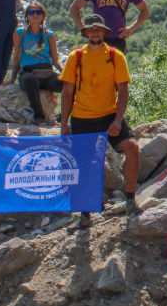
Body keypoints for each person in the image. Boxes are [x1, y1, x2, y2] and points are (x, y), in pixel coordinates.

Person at [60, 14, 140, 224]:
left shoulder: (115, 56)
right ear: (85, 33)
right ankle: (85, 214)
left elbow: (123, 91)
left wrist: (117, 120)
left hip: (109, 116)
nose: (95, 32)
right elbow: (67, 93)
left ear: (105, 32)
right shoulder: (75, 57)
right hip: (82, 118)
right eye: (91, 29)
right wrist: (64, 124)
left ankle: (131, 200)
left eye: (99, 29)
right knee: (83, 164)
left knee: (132, 148)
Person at [8, 1, 64, 125]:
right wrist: (12, 78)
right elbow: (16, 57)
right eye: (31, 12)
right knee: (30, 80)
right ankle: (39, 116)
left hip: (47, 73)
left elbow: (55, 59)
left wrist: (65, 73)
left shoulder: (49, 35)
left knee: (70, 85)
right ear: (27, 16)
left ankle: (62, 117)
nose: (35, 15)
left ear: (43, 15)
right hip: (28, 72)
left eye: (38, 12)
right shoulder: (19, 33)